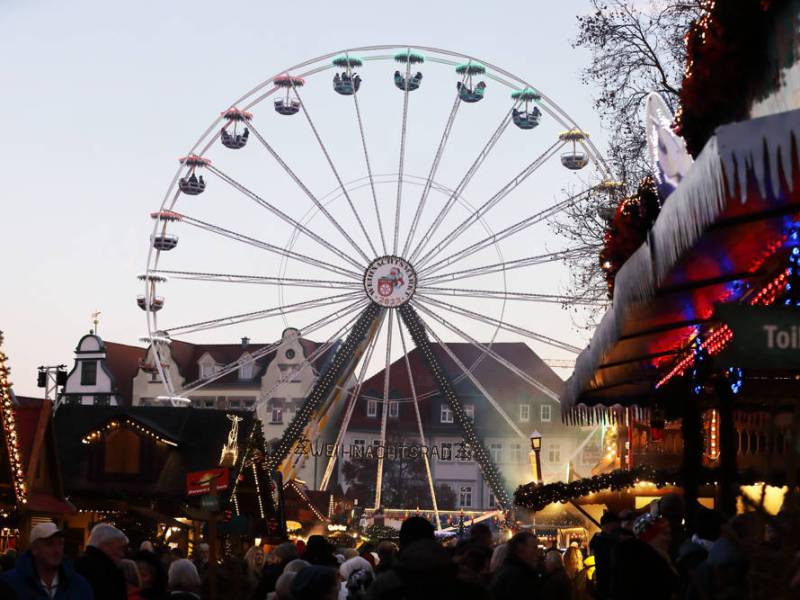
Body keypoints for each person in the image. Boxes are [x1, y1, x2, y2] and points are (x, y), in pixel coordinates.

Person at [1, 521, 93, 599]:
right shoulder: (10, 584)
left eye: (60, 543)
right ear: (34, 549)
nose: (57, 550)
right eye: (49, 544)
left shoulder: (79, 585)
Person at [611, 513, 678, 600]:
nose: (669, 538)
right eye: (665, 534)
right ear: (649, 536)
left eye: (669, 534)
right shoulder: (642, 565)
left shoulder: (663, 558)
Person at [75, 523, 128, 600]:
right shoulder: (106, 572)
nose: (122, 554)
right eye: (119, 549)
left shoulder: (80, 565)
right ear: (105, 546)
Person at [489, 531, 542, 600]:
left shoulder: (511, 572)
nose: (538, 553)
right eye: (534, 548)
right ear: (520, 548)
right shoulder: (516, 577)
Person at [588, 510, 621, 600]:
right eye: (616, 524)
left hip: (604, 585)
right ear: (608, 525)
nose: (618, 527)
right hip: (609, 586)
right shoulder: (605, 541)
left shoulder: (598, 539)